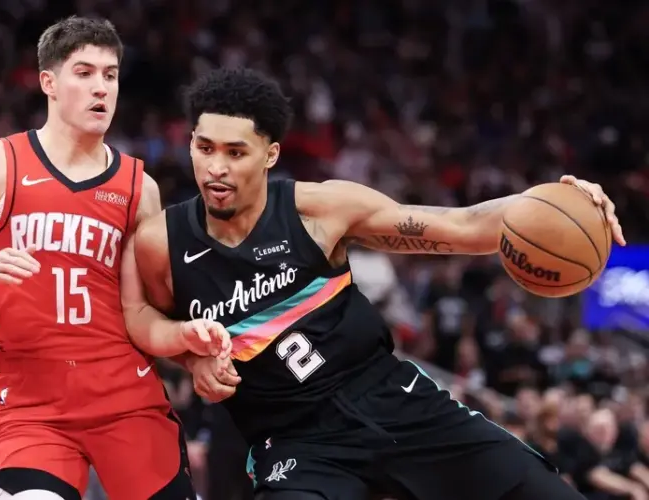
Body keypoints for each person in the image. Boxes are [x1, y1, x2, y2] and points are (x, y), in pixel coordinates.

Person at [128, 67, 626, 500]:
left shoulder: (320, 209)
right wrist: (191, 356)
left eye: (236, 152)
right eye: (204, 146)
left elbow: (466, 227)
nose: (215, 167)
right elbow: (149, 321)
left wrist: (547, 204)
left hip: (397, 402)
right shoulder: (162, 243)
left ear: (270, 154)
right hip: (298, 444)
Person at [0, 17, 231, 500]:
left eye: (110, 75)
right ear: (48, 82)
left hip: (124, 396)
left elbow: (145, 312)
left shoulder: (139, 189)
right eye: (85, 72)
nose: (101, 88)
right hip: (33, 403)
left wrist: (190, 353)